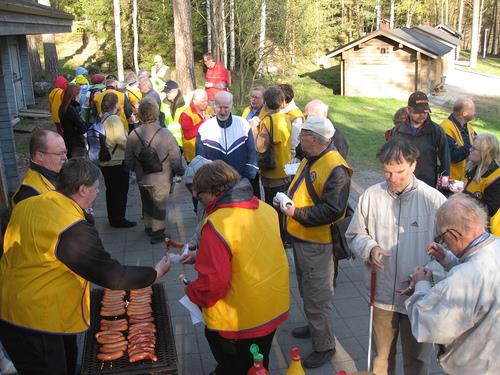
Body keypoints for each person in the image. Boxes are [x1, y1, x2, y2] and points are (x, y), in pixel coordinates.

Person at [0, 158, 172, 375]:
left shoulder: (27, 204)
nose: (98, 192)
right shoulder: (71, 227)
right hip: (36, 321)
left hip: (13, 306)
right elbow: (112, 276)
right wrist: (155, 273)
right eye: (96, 188)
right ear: (82, 189)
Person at [346, 138, 447, 375]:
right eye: (387, 172)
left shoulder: (434, 200)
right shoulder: (371, 195)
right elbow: (355, 234)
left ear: (413, 165)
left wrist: (427, 276)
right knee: (381, 359)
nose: (393, 179)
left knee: (418, 360)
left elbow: (447, 251)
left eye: (399, 171)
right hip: (381, 295)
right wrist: (370, 248)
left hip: (419, 297)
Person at [186, 160, 289, 375]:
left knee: (239, 366)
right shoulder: (266, 209)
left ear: (214, 192)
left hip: (240, 320)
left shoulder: (216, 223)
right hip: (271, 306)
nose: (199, 202)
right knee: (260, 362)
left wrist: (192, 293)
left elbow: (213, 284)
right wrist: (203, 253)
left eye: (200, 196)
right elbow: (252, 251)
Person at [281, 116, 351, 368]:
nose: (299, 140)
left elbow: (333, 210)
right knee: (306, 288)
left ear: (315, 139)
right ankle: (315, 328)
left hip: (317, 243)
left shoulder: (335, 167)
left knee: (317, 294)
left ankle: (325, 346)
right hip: (303, 237)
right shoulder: (313, 156)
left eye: (303, 136)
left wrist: (296, 213)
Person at [405, 194, 500, 374]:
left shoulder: (463, 279)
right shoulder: (495, 247)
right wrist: (447, 258)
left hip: (475, 365)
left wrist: (421, 284)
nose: (443, 241)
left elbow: (428, 325)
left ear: (454, 234)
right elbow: (479, 278)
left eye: (442, 237)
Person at [125, 97, 184, 244]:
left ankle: (148, 226)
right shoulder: (165, 133)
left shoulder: (133, 134)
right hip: (162, 177)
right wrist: (179, 171)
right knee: (159, 204)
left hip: (143, 178)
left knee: (146, 202)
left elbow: (129, 160)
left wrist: (137, 169)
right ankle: (158, 232)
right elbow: (176, 158)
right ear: (156, 113)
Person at [390, 91, 450, 188]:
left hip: (427, 182)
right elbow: (391, 156)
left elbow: (445, 157)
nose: (422, 115)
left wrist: (444, 183)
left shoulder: (436, 131)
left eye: (425, 112)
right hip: (403, 180)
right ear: (408, 110)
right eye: (417, 112)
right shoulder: (398, 130)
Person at [196, 91, 258, 182]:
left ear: (232, 105)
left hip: (241, 180)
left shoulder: (243, 124)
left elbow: (251, 151)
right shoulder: (204, 129)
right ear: (214, 105)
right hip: (215, 182)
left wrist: (249, 175)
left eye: (226, 107)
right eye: (219, 107)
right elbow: (200, 159)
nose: (222, 111)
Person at [450, 133, 499, 236]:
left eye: (474, 149)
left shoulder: (496, 177)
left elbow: (489, 210)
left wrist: (463, 194)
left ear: (485, 153)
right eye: (471, 147)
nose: (470, 150)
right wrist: (449, 186)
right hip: (464, 223)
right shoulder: (472, 167)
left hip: (483, 232)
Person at [99, 92, 136, 228]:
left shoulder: (102, 117)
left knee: (110, 191)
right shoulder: (114, 119)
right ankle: (119, 218)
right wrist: (132, 149)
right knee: (120, 191)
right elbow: (120, 139)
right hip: (116, 160)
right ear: (117, 104)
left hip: (105, 160)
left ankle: (112, 217)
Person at [12, 130, 67, 205]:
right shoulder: (28, 193)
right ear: (40, 156)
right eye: (59, 154)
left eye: (65, 152)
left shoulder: (56, 174)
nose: (65, 158)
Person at [258, 86, 292, 205]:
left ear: (265, 103)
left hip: (272, 171)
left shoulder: (267, 121)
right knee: (283, 203)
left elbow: (261, 146)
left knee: (272, 204)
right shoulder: (287, 118)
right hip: (285, 168)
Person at [440, 98, 477, 183]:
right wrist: (471, 147)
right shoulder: (445, 127)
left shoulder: (468, 127)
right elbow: (453, 156)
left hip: (462, 181)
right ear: (464, 113)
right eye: (472, 110)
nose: (475, 113)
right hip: (448, 180)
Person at [179, 89, 214, 163]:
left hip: (207, 153)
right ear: (194, 101)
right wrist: (204, 121)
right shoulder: (186, 114)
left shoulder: (209, 110)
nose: (206, 103)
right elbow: (188, 135)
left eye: (206, 100)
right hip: (192, 156)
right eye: (203, 101)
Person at [59, 83, 88, 158]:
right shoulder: (71, 109)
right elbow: (82, 128)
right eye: (79, 94)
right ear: (74, 96)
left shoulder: (63, 106)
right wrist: (85, 123)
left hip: (68, 138)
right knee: (76, 162)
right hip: (75, 141)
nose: (80, 96)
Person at [279, 84, 304, 158]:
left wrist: (292, 158)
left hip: (286, 156)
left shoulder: (296, 116)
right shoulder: (276, 109)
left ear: (284, 101)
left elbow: (295, 142)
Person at [160, 80, 187, 148]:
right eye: (166, 92)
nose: (167, 94)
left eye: (168, 92)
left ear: (176, 90)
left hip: (184, 142)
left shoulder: (185, 104)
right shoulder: (163, 104)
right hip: (169, 142)